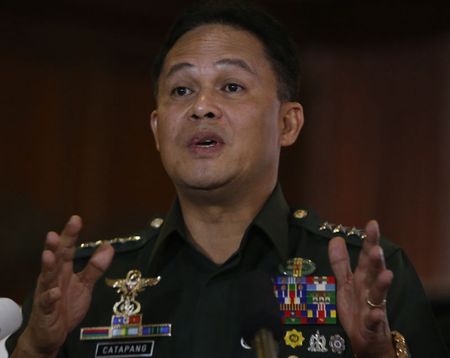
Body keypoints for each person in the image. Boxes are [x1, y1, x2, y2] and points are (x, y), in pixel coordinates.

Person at [7, 1, 449, 357]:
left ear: (288, 123)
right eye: (182, 90)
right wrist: (34, 351)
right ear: (158, 130)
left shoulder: (367, 277)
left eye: (231, 86)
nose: (201, 107)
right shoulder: (87, 287)